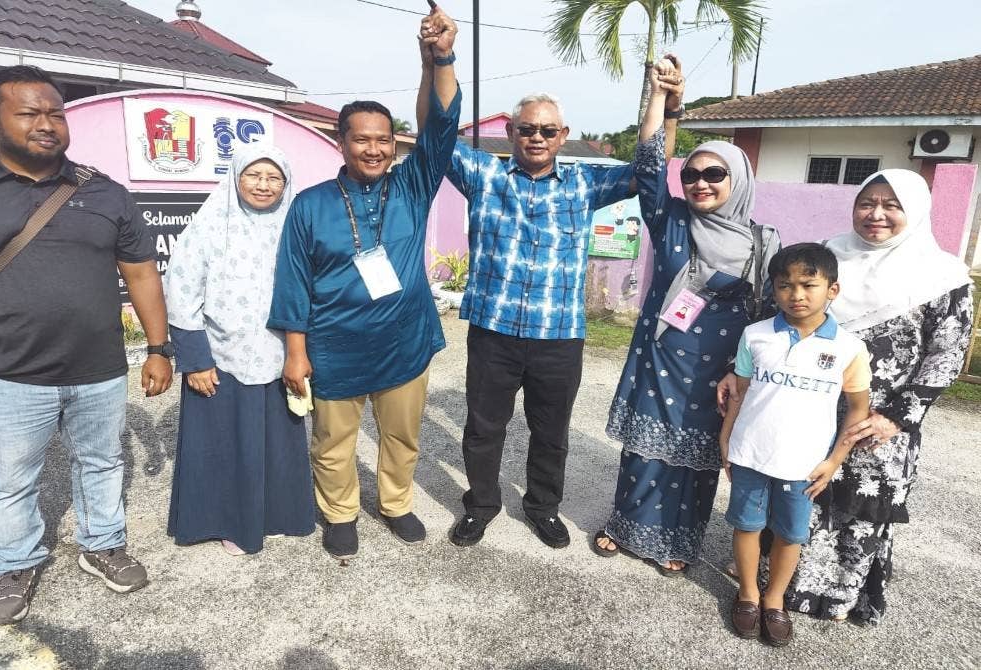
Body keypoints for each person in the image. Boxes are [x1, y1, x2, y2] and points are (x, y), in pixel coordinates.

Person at [439, 45, 685, 548]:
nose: (536, 137)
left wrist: (664, 101)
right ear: (510, 132)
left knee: (551, 433)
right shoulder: (484, 176)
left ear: (562, 136)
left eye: (547, 130)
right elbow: (439, 136)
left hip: (558, 338)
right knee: (484, 428)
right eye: (526, 128)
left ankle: (542, 507)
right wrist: (440, 61)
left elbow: (648, 169)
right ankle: (481, 505)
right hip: (494, 332)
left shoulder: (583, 184)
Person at [0, 66, 173, 625]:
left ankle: (103, 544)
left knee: (102, 462)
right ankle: (15, 563)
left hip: (99, 369)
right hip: (5, 370)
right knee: (10, 477)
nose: (47, 124)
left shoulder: (104, 191)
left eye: (56, 113)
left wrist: (159, 348)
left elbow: (141, 274)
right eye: (30, 113)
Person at [267, 6, 461, 560]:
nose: (374, 149)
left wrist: (440, 56)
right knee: (333, 442)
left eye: (383, 139)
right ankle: (340, 512)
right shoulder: (310, 205)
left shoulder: (414, 186)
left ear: (394, 144)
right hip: (335, 348)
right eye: (362, 140)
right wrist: (296, 353)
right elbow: (293, 281)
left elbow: (442, 125)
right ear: (341, 142)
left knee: (402, 438)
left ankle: (396, 504)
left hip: (405, 343)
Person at [593, 58, 781, 574]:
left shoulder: (764, 242)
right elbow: (650, 166)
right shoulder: (672, 218)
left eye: (714, 174)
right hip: (662, 356)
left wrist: (743, 373)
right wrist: (662, 100)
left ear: (737, 179)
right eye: (693, 174)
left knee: (698, 462)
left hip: (720, 370)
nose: (700, 183)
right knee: (646, 451)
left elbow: (768, 313)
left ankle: (680, 541)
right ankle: (624, 525)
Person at [776, 169, 974, 625]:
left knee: (862, 502)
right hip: (812, 405)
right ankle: (784, 580)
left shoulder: (941, 275)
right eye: (867, 202)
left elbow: (946, 354)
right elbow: (788, 314)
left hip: (883, 419)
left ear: (916, 211)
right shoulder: (828, 257)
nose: (876, 214)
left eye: (892, 205)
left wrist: (897, 417)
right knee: (801, 486)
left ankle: (841, 593)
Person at [164, 144, 316, 556]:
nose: (263, 185)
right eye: (254, 175)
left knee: (278, 440)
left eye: (273, 178)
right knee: (226, 442)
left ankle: (279, 514)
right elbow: (181, 291)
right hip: (221, 355)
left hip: (281, 352)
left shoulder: (296, 225)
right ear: (235, 177)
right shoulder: (211, 225)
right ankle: (230, 521)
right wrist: (195, 359)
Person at [718, 243, 871, 646]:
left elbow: (858, 408)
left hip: (805, 464)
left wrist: (835, 461)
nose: (796, 295)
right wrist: (726, 436)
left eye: (808, 284)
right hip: (751, 452)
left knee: (790, 534)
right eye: (785, 285)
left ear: (832, 289)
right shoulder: (756, 334)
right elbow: (740, 391)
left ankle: (774, 600)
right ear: (774, 289)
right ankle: (748, 593)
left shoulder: (849, 347)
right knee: (747, 526)